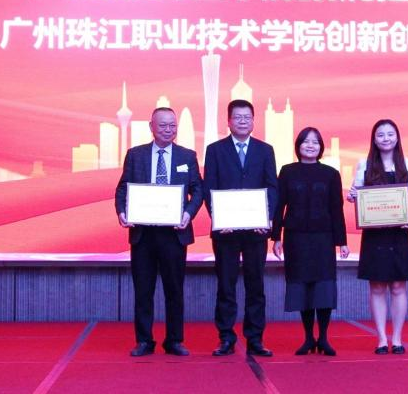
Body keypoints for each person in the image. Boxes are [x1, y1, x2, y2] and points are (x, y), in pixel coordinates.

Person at [114, 107, 203, 357]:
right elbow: (122, 189)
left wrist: (188, 214)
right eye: (163, 125)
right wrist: (122, 212)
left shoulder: (187, 156)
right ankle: (144, 340)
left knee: (174, 289)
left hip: (174, 233)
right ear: (151, 127)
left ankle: (174, 340)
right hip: (143, 234)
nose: (168, 130)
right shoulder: (135, 155)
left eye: (172, 125)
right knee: (143, 290)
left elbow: (198, 190)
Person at [346, 119, 408, 355]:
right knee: (376, 286)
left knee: (398, 286)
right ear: (374, 139)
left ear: (397, 137)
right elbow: (357, 195)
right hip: (374, 235)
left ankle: (398, 338)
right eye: (381, 135)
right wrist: (353, 196)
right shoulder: (364, 164)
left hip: (399, 233)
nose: (386, 138)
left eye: (390, 134)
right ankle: (382, 339)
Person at [203, 99, 278, 357]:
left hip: (256, 232)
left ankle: (255, 338)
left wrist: (267, 218)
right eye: (238, 117)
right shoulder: (215, 150)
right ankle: (226, 337)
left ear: (254, 121)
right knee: (226, 285)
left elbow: (272, 187)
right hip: (226, 232)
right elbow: (209, 187)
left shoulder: (265, 150)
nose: (243, 121)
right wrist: (218, 217)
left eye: (247, 117)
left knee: (256, 286)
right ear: (229, 121)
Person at [271, 127, 349, 356]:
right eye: (306, 141)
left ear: (321, 147)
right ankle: (308, 338)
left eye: (315, 142)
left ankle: (323, 338)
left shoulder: (331, 174)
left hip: (323, 239)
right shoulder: (287, 171)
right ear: (298, 146)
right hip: (295, 239)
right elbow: (279, 206)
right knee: (302, 287)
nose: (310, 145)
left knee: (323, 287)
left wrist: (342, 241)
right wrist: (276, 237)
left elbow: (337, 210)